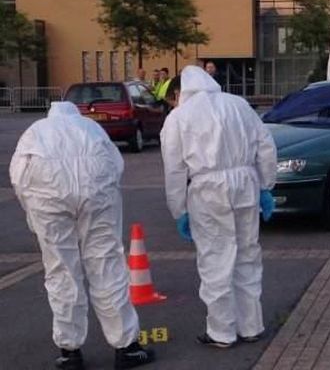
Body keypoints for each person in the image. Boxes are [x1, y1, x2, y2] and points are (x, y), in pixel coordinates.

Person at [9, 101, 155, 370]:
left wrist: (32, 212)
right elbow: (115, 165)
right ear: (75, 113)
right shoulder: (92, 128)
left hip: (48, 200)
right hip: (96, 199)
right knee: (107, 267)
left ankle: (69, 351)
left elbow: (18, 177)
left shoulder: (35, 131)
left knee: (61, 272)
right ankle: (126, 348)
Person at [160, 66, 277, 348]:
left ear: (180, 91)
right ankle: (251, 325)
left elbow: (174, 170)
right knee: (247, 254)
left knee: (216, 259)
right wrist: (265, 186)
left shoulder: (178, 117)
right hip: (245, 182)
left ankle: (222, 332)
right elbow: (266, 146)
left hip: (207, 189)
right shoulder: (238, 105)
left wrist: (179, 210)